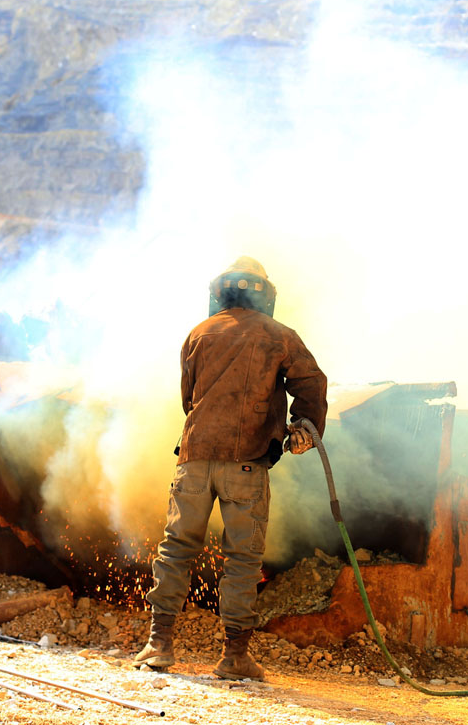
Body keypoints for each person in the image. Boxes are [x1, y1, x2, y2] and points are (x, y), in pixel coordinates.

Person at [134, 257, 328, 680]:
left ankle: (159, 644)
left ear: (220, 292)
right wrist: (304, 427)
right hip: (246, 465)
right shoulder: (280, 336)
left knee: (176, 549)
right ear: (265, 294)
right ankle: (234, 657)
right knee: (242, 559)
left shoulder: (198, 334)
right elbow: (311, 384)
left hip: (194, 460)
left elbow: (188, 399)